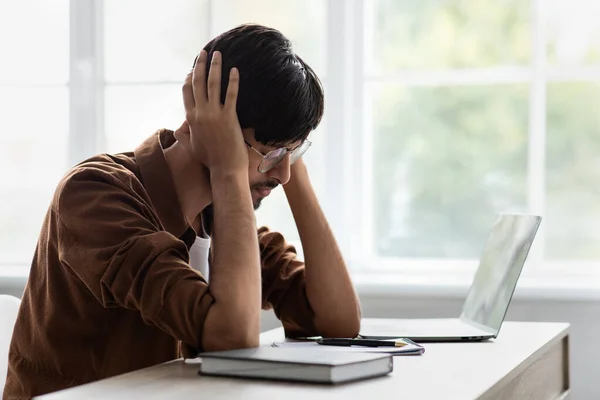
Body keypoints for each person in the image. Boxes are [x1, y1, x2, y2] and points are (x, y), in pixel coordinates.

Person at [3, 24, 361, 399]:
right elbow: (233, 336)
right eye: (271, 152)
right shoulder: (94, 194)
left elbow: (338, 322)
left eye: (294, 153)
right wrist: (228, 170)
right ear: (204, 126)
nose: (282, 175)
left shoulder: (220, 217)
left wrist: (286, 160)